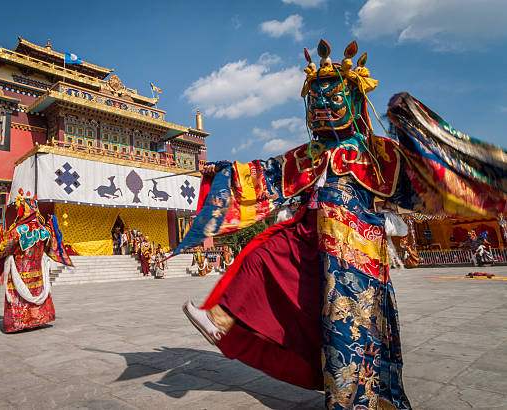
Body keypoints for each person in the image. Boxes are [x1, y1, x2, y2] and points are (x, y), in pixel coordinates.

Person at [181, 39, 507, 409]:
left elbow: (422, 178)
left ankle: (360, 401)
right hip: (310, 235)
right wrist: (222, 169)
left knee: (348, 330)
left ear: (352, 102)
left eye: (331, 100)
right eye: (315, 102)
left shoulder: (377, 153)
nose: (320, 109)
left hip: (356, 252)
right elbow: (267, 173)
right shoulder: (310, 153)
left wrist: (412, 124)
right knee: (259, 256)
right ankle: (220, 319)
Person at [0, 190, 73, 333]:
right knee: (36, 292)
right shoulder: (45, 230)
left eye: (19, 209)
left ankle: (20, 322)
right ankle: (39, 319)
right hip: (37, 271)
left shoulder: (18, 231)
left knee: (18, 297)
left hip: (21, 270)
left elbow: (2, 247)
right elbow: (51, 246)